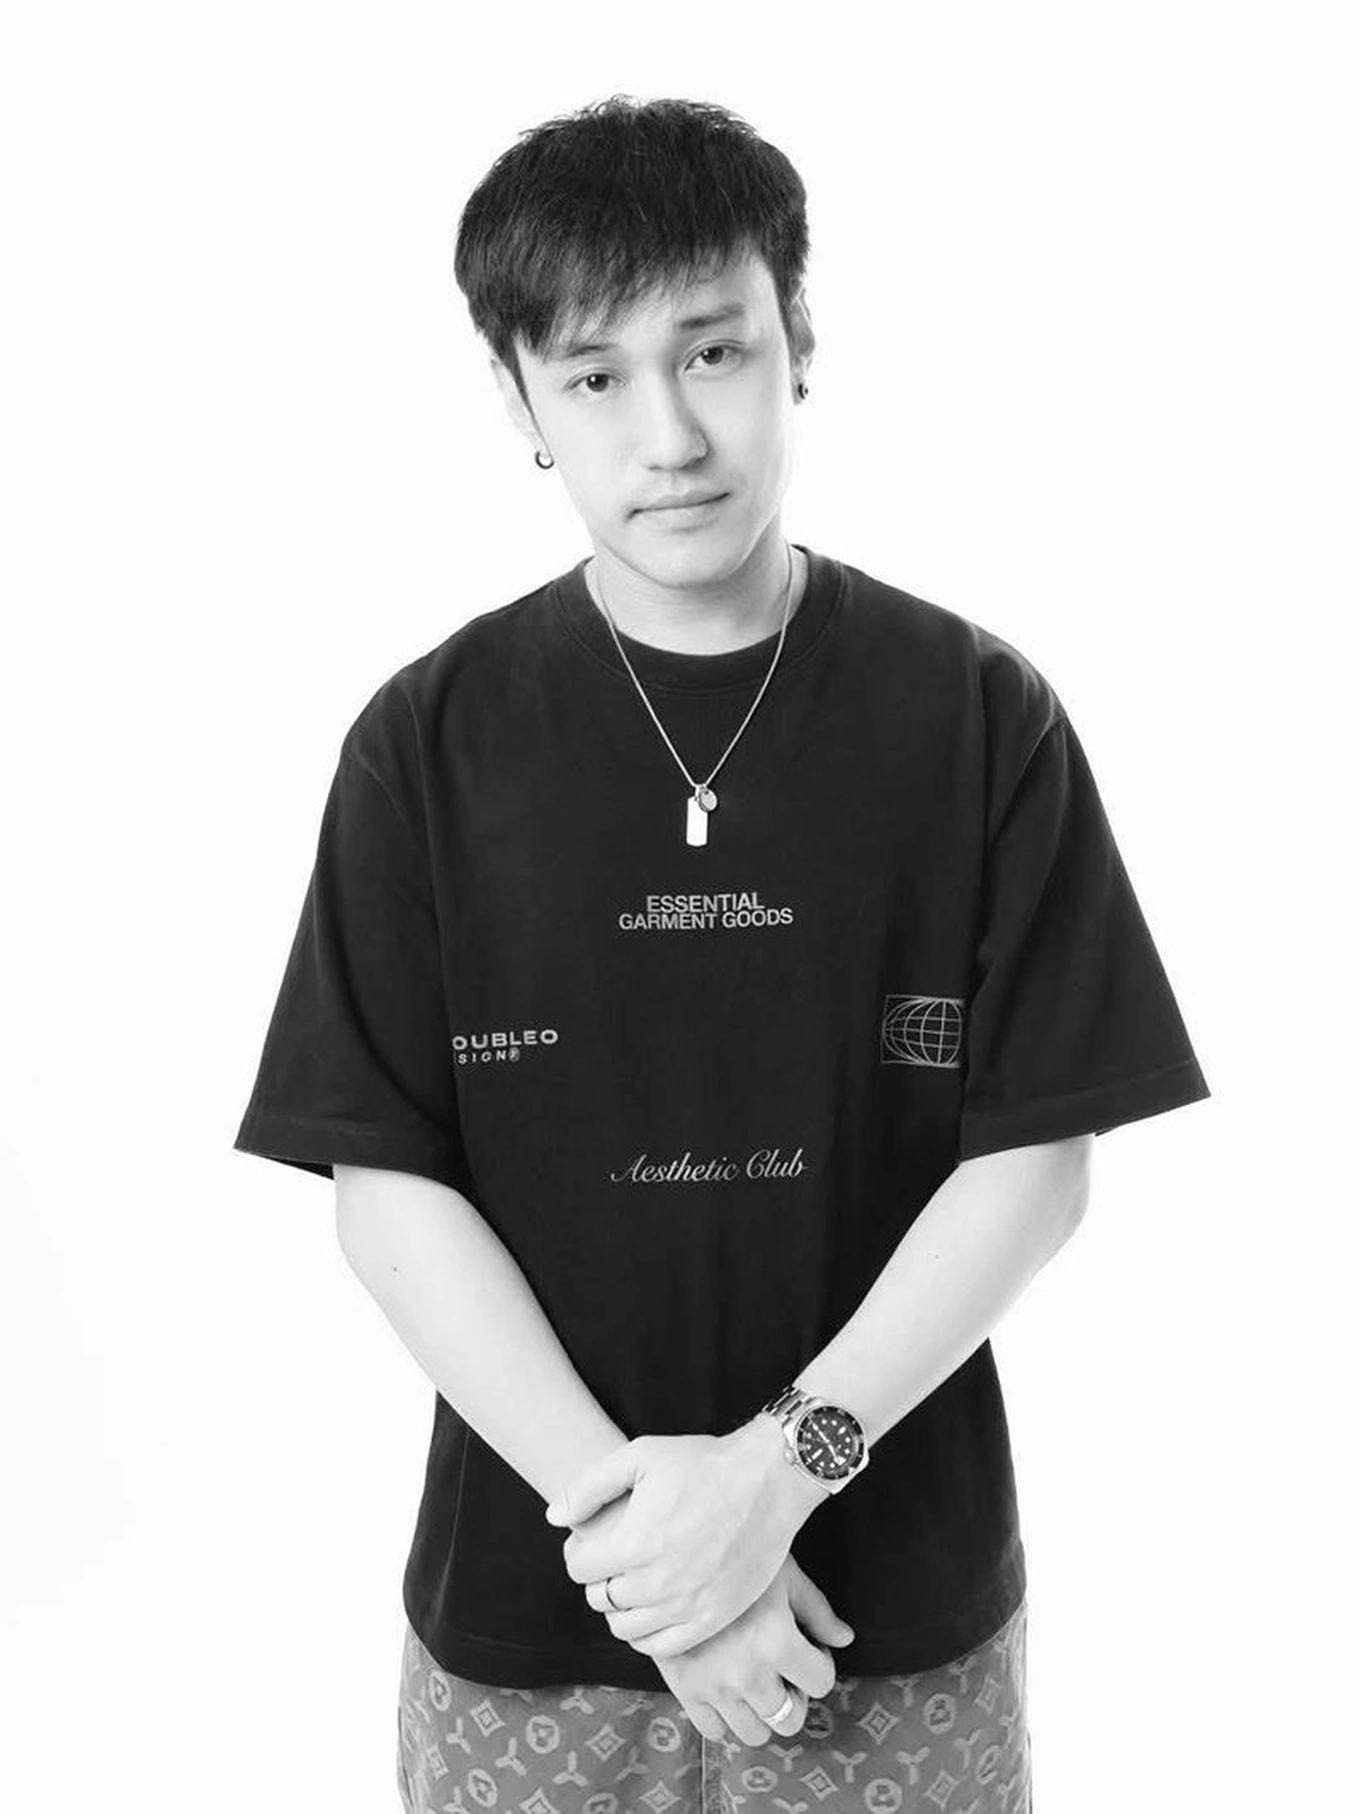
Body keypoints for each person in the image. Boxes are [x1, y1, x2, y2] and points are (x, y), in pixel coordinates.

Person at [233, 94, 1210, 1813]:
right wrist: (655, 1550)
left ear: (798, 342)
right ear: (520, 404)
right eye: (594, 375)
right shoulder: (426, 744)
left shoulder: (977, 715)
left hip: (891, 1622)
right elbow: (385, 1187)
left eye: (714, 350)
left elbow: (1037, 1164)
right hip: (534, 1623)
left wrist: (777, 1477)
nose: (670, 434)